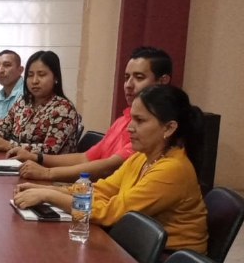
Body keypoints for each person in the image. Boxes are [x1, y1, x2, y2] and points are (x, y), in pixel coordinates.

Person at [13, 82, 209, 253]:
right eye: (132, 119)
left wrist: (49, 196)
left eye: (140, 121)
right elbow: (101, 191)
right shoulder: (141, 156)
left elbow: (111, 213)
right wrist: (43, 189)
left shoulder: (173, 169)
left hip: (168, 262)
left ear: (169, 128)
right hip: (139, 246)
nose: (130, 127)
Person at [14, 45, 173, 187]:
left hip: (104, 197)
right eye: (126, 78)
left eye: (139, 78)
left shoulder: (157, 127)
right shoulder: (123, 119)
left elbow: (108, 167)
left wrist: (47, 174)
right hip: (97, 192)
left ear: (163, 81)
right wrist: (37, 157)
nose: (128, 85)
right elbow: (85, 158)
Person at [0, 50, 84, 162]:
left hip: (47, 169)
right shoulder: (23, 102)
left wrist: (8, 145)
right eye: (30, 75)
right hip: (16, 162)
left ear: (55, 78)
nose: (34, 81)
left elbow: (49, 150)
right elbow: (3, 127)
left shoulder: (63, 108)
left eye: (41, 75)